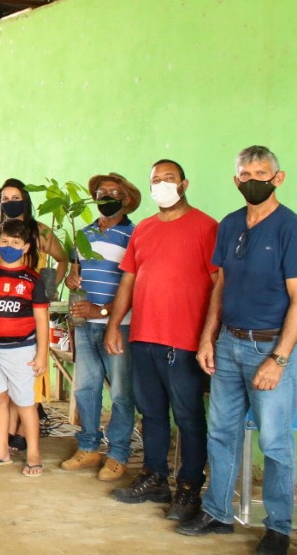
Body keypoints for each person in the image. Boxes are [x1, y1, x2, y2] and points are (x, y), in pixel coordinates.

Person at [178, 146, 297, 555]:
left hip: (269, 348)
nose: (253, 178)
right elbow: (220, 285)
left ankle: (278, 527)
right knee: (221, 433)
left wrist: (278, 359)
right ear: (236, 180)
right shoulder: (230, 224)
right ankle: (217, 513)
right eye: (246, 173)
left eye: (262, 172)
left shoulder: (291, 228)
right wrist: (208, 337)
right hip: (228, 345)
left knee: (274, 442)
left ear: (279, 178)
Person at [106, 159, 217, 520]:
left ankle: (188, 488)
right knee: (151, 414)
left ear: (184, 183)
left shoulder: (205, 227)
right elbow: (128, 281)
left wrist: (208, 336)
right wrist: (114, 325)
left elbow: (220, 284)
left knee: (188, 418)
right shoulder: (145, 229)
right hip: (143, 336)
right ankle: (155, 477)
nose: (162, 185)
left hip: (184, 341)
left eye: (169, 179)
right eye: (156, 180)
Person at [59, 172, 140, 482]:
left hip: (118, 326)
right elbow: (74, 272)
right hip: (84, 323)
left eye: (114, 192)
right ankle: (89, 446)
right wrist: (70, 280)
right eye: (101, 192)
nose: (106, 196)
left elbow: (135, 286)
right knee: (85, 389)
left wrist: (104, 311)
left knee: (120, 392)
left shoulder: (135, 235)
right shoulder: (84, 233)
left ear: (127, 199)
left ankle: (118, 453)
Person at [0, 219, 50, 476]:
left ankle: (34, 454)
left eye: (15, 243)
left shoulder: (32, 280)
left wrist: (42, 354)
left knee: (25, 402)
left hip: (21, 351)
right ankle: (1, 449)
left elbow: (41, 320)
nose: (8, 246)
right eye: (4, 241)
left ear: (26, 248)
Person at [0, 178, 68, 286]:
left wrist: (49, 290)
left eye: (16, 198)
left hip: (31, 298)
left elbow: (62, 260)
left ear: (25, 200)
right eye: (5, 199)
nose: (10, 202)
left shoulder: (40, 230)